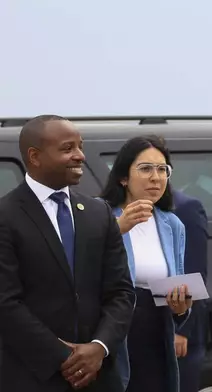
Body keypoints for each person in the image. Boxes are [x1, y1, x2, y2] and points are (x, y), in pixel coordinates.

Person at [0, 115, 135, 391]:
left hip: (99, 376)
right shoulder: (6, 216)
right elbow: (6, 302)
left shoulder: (99, 213)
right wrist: (64, 357)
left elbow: (121, 291)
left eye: (80, 146)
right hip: (32, 376)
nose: (80, 156)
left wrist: (99, 348)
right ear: (35, 156)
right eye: (67, 148)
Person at [100, 135, 193, 392]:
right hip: (112, 336)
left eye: (163, 169)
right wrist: (117, 230)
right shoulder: (101, 216)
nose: (156, 177)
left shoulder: (171, 224)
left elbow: (176, 287)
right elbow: (80, 268)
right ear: (123, 177)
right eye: (146, 169)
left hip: (156, 335)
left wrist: (180, 308)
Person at [172, 190, 209, 392]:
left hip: (180, 324)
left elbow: (194, 270)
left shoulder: (184, 208)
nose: (154, 177)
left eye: (161, 169)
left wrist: (181, 329)